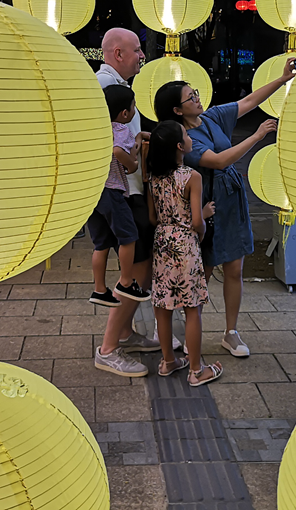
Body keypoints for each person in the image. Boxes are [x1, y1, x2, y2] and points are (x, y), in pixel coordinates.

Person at [154, 57, 296, 358]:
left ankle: (231, 332)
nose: (197, 98)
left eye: (195, 93)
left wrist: (283, 79)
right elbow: (218, 161)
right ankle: (188, 328)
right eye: (190, 97)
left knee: (234, 268)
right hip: (206, 204)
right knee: (200, 273)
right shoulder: (183, 139)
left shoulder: (211, 117)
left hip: (231, 199)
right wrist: (257, 136)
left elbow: (249, 101)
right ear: (177, 110)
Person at [94, 28, 164, 378]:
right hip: (122, 192)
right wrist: (131, 154)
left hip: (122, 190)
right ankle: (108, 349)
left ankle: (123, 334)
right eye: (137, 50)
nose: (142, 55)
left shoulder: (113, 86)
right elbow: (104, 143)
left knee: (140, 265)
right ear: (118, 53)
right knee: (137, 270)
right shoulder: (104, 88)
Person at [147, 121, 221, 386]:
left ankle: (168, 362)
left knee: (163, 305)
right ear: (180, 147)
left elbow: (153, 217)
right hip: (186, 242)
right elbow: (197, 221)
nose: (190, 138)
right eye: (187, 135)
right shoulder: (192, 177)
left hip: (162, 242)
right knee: (192, 307)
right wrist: (201, 229)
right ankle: (197, 370)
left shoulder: (153, 177)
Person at [88, 85, 151, 306]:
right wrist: (132, 164)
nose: (134, 110)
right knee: (129, 237)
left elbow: (126, 149)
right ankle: (126, 281)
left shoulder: (96, 129)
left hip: (94, 193)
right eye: (134, 106)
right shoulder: (121, 130)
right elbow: (123, 155)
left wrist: (138, 138)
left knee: (101, 244)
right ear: (125, 113)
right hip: (113, 192)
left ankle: (99, 289)